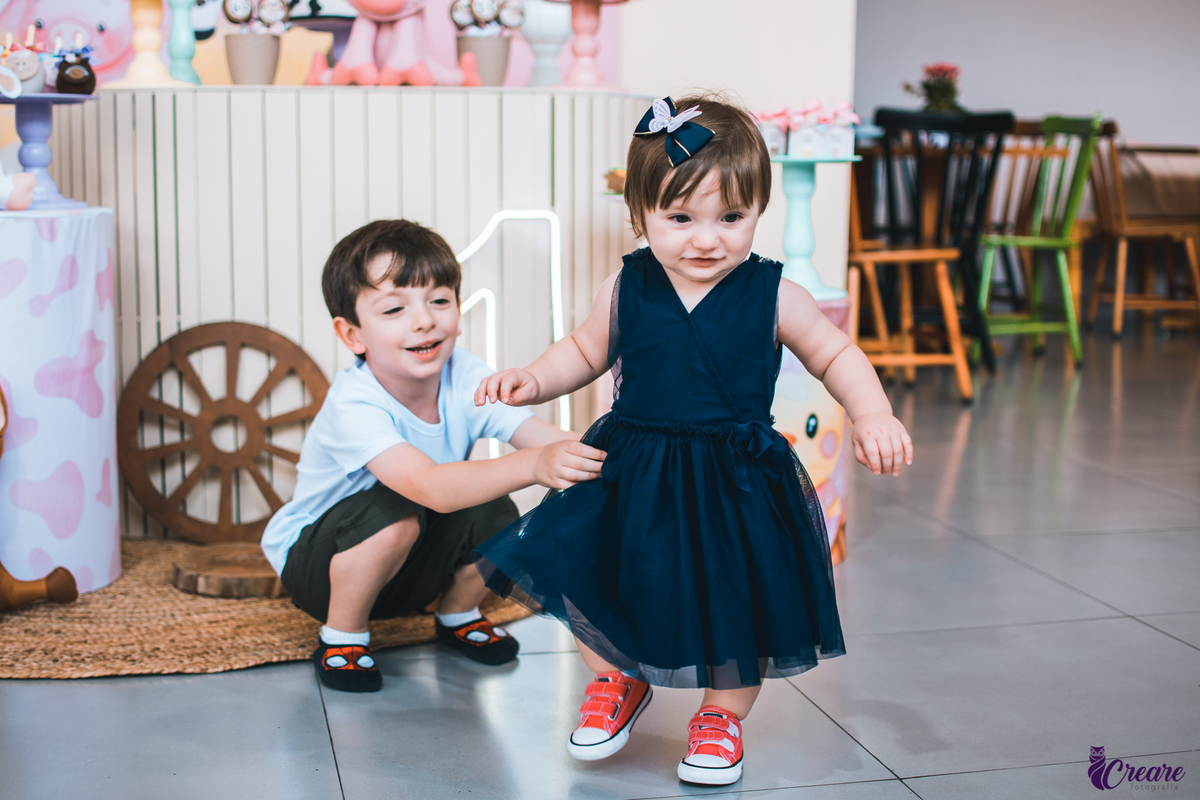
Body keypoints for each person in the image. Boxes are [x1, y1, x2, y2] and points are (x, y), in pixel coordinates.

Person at [474, 94, 913, 786]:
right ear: (640, 213)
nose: (706, 239)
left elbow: (835, 354)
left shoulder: (774, 294)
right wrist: (533, 377)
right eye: (680, 219)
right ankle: (618, 678)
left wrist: (873, 412)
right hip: (636, 468)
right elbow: (584, 351)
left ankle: (721, 714)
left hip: (734, 477)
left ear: (757, 211)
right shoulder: (628, 285)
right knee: (601, 575)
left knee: (736, 601)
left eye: (731, 218)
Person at [260, 219, 605, 693]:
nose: (424, 320)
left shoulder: (464, 374)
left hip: (408, 565)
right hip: (322, 567)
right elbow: (431, 488)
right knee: (395, 512)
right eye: (395, 308)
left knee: (498, 510)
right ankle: (341, 636)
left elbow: (537, 435)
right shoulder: (354, 403)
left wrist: (608, 459)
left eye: (439, 301)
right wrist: (534, 466)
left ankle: (456, 613)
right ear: (352, 335)